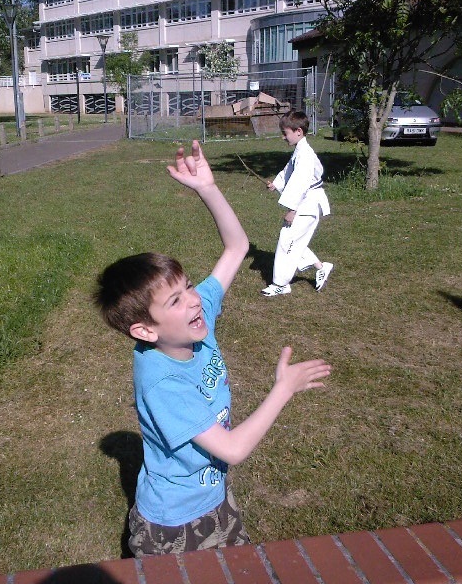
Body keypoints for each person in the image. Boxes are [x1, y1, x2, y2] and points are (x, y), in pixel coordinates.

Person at [93, 141, 331, 556]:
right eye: (175, 301)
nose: (194, 299)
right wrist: (283, 389)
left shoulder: (190, 323)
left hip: (213, 498)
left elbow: (237, 247)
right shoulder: (163, 383)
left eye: (188, 288)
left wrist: (207, 188)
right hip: (173, 525)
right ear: (146, 331)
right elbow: (233, 449)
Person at [261, 110, 333, 296]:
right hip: (308, 201)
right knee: (294, 240)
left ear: (298, 131)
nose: (283, 137)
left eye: (285, 133)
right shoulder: (300, 151)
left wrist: (292, 210)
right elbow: (288, 171)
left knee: (287, 239)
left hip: (308, 202)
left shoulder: (306, 155)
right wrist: (276, 184)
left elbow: (300, 182)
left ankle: (281, 284)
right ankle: (321, 266)